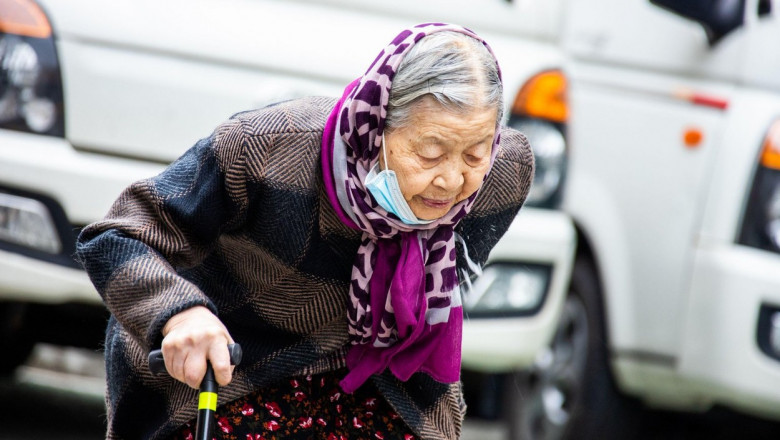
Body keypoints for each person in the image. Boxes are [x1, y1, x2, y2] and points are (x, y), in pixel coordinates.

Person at [77, 23, 534, 440]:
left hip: (380, 379)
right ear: (377, 126)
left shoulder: (504, 175)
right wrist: (179, 314)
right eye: (431, 153)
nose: (452, 182)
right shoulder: (267, 147)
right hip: (236, 366)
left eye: (474, 155)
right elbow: (117, 236)